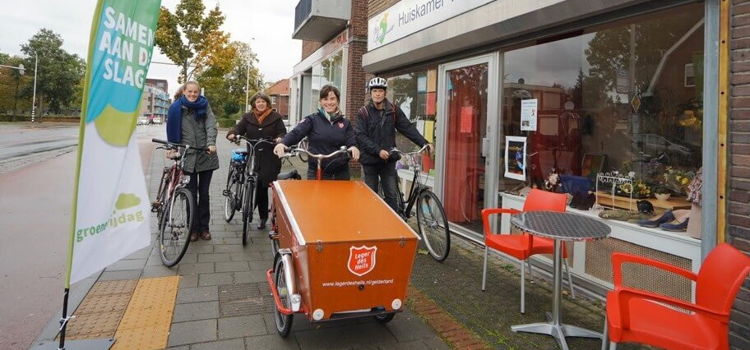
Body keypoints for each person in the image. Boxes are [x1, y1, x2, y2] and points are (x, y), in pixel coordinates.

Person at [355, 77, 429, 211]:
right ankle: (370, 223)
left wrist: (423, 143)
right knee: (371, 195)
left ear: (385, 93)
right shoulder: (363, 112)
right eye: (375, 91)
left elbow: (407, 127)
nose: (377, 94)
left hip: (388, 161)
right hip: (370, 161)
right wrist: (378, 150)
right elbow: (361, 136)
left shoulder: (394, 111)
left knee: (391, 195)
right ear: (370, 93)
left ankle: (393, 224)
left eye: (380, 91)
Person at [166, 81, 219, 241]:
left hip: (205, 155)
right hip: (187, 156)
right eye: (190, 91)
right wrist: (172, 148)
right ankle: (192, 229)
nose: (193, 95)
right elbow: (171, 129)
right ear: (184, 91)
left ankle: (204, 228)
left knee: (204, 194)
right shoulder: (176, 108)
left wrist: (211, 143)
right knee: (190, 193)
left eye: (196, 92)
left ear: (199, 93)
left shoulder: (205, 105)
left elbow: (211, 125)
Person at [226, 93, 287, 229]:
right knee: (255, 182)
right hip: (253, 156)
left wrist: (279, 138)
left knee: (263, 185)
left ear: (267, 103)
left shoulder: (275, 117)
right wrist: (232, 133)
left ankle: (262, 216)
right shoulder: (248, 117)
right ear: (254, 104)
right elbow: (239, 128)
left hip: (270, 157)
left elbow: (282, 132)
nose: (260, 104)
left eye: (263, 101)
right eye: (258, 102)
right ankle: (251, 208)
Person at [273, 85, 360, 179]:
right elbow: (296, 133)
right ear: (320, 102)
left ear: (337, 101)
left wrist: (353, 147)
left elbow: (351, 140)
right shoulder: (312, 120)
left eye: (332, 99)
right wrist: (283, 143)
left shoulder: (345, 123)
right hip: (316, 170)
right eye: (325, 99)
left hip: (339, 172)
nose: (329, 102)